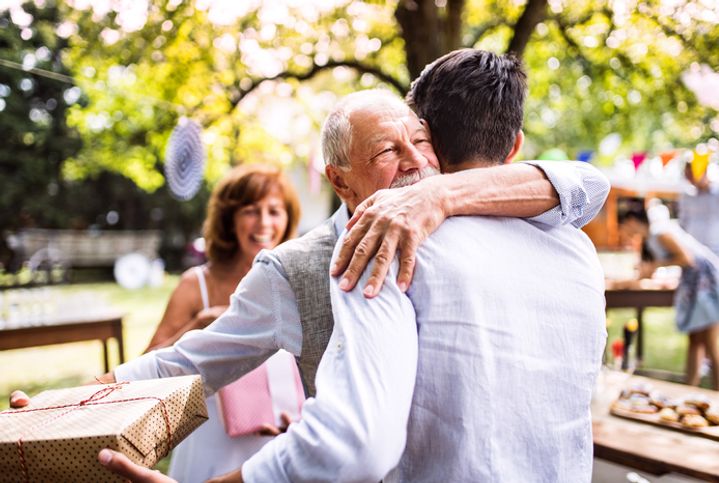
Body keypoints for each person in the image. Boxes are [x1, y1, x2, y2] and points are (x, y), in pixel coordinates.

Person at [10, 90, 609, 479]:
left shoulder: (495, 226)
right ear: (340, 180)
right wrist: (69, 404)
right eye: (386, 150)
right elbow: (190, 364)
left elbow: (586, 184)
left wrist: (443, 193)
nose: (415, 161)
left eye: (419, 141)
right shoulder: (301, 267)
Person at [234, 49, 607, 483]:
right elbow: (589, 185)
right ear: (517, 144)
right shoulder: (578, 251)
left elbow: (359, 445)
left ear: (428, 140)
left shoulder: (390, 242)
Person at [149, 164, 303, 482]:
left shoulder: (296, 282)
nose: (264, 223)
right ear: (229, 218)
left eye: (274, 211)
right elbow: (147, 369)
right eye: (250, 211)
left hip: (279, 448)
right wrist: (195, 325)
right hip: (210, 447)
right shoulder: (197, 285)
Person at [619, 202, 719, 388]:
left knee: (710, 341)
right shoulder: (650, 239)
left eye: (624, 225)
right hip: (695, 284)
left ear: (632, 221)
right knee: (695, 339)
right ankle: (690, 388)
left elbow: (686, 258)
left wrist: (657, 265)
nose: (623, 230)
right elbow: (648, 271)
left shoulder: (660, 232)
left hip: (706, 281)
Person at [679, 163, 719, 257]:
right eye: (688, 176)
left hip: (715, 249)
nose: (691, 180)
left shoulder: (716, 193)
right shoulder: (687, 196)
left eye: (692, 175)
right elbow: (683, 222)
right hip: (693, 250)